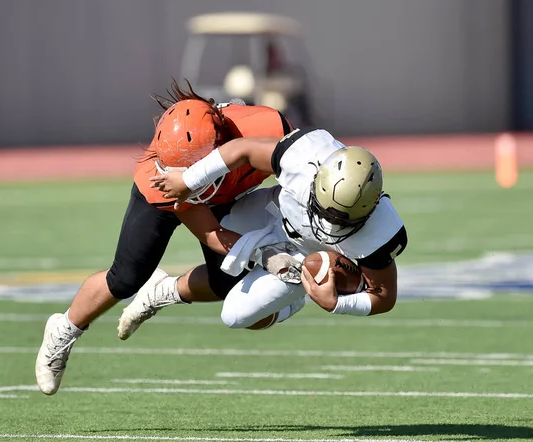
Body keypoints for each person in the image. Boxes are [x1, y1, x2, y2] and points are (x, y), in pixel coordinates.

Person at [35, 81, 295, 396]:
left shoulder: (269, 130)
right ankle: (63, 330)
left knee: (226, 283)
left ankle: (162, 292)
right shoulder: (163, 177)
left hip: (226, 186)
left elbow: (298, 181)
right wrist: (266, 254)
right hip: (169, 196)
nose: (184, 176)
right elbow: (213, 235)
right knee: (126, 279)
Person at [121, 128, 408, 334]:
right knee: (224, 227)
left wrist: (336, 304)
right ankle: (165, 290)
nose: (331, 223)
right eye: (326, 210)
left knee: (234, 315)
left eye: (343, 220)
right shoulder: (303, 156)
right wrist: (188, 180)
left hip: (308, 258)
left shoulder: (380, 231)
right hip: (276, 213)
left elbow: (383, 296)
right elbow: (241, 149)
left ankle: (294, 299)